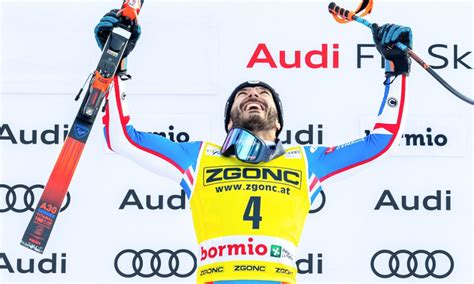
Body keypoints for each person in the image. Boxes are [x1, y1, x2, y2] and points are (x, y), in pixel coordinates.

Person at [95, 8, 412, 284]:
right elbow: (122, 138)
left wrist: (396, 70)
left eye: (263, 94)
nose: (253, 94)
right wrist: (115, 63)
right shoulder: (199, 157)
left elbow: (382, 144)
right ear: (229, 123)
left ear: (278, 124)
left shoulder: (305, 161)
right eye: (242, 95)